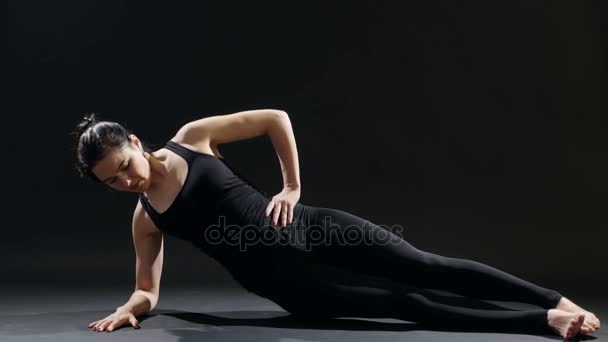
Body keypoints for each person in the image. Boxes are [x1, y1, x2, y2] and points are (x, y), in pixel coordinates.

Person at [73, 109, 600, 339]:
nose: (126, 182)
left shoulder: (192, 137)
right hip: (285, 281)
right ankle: (542, 323)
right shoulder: (146, 219)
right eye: (112, 183)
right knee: (404, 304)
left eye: (125, 167)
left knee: (423, 265)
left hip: (311, 225)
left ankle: (553, 299)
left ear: (136, 144)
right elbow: (148, 289)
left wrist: (292, 186)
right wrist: (129, 307)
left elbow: (275, 118)